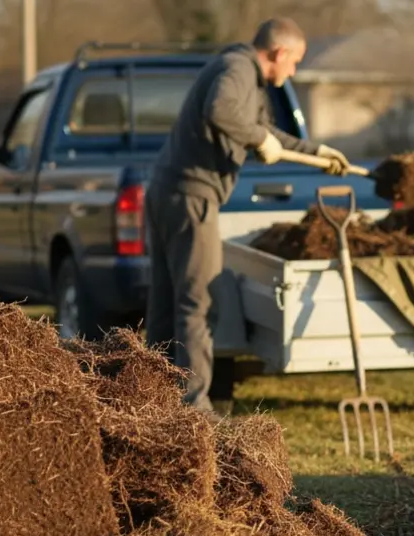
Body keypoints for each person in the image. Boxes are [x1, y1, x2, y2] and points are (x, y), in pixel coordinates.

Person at [143, 17, 349, 413]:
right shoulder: (237, 68)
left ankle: (154, 399)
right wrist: (258, 139)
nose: (294, 71)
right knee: (198, 303)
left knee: (168, 304)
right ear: (280, 52)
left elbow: (262, 130)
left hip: (172, 190)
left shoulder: (239, 72)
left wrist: (317, 154)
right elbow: (219, 110)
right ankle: (193, 410)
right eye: (295, 62)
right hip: (191, 195)